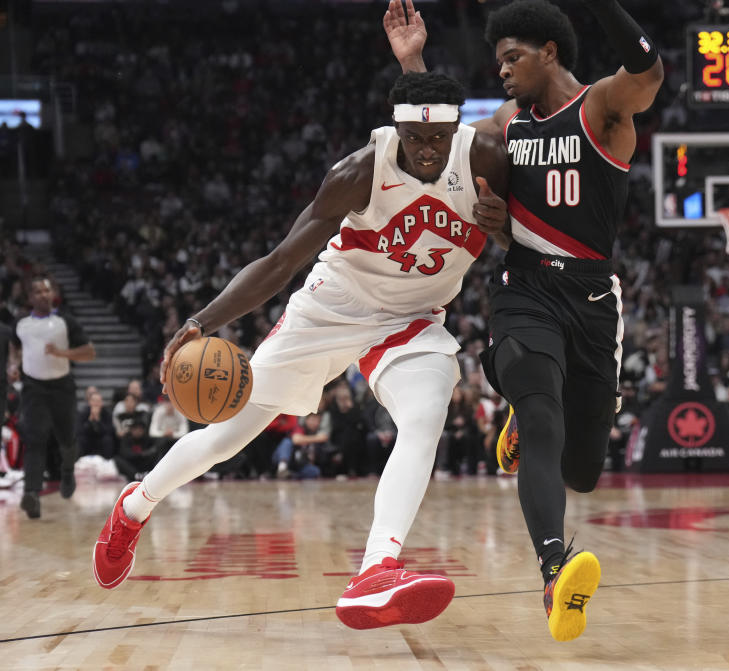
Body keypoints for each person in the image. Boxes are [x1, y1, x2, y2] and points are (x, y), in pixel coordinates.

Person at [92, 71, 511, 631]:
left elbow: (531, 238)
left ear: (457, 128)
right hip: (334, 305)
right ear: (396, 130)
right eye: (415, 139)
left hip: (413, 318)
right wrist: (201, 321)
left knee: (426, 413)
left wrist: (503, 228)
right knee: (228, 435)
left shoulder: (487, 159)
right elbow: (280, 262)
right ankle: (133, 507)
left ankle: (375, 571)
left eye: (439, 138)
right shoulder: (359, 172)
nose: (428, 151)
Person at [385, 0, 663, 641]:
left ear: (551, 53)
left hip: (593, 300)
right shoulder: (506, 123)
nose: (503, 72)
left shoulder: (600, 108)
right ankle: (552, 569)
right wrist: (414, 63)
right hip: (525, 289)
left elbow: (647, 69)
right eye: (498, 60)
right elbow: (440, 135)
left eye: (514, 58)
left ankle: (526, 400)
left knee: (582, 470)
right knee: (543, 419)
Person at [13, 276, 96, 518]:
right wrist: (15, 365)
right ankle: (31, 494)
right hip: (33, 388)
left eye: (46, 291)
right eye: (37, 291)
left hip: (62, 387)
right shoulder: (21, 324)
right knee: (35, 439)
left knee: (67, 439)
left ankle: (68, 472)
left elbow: (89, 353)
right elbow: (19, 350)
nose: (43, 295)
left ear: (53, 294)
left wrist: (61, 352)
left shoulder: (65, 321)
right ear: (30, 298)